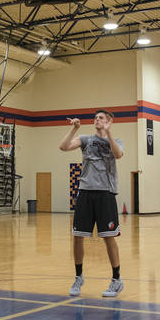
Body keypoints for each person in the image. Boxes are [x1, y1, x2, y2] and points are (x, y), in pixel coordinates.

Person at [59, 109, 125, 298]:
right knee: (77, 236)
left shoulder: (116, 141)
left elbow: (118, 155)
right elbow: (63, 147)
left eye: (101, 118)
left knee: (108, 237)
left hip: (106, 193)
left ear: (109, 121)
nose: (97, 120)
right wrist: (74, 129)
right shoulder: (85, 139)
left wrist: (108, 132)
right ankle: (78, 277)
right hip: (85, 192)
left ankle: (117, 279)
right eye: (96, 118)